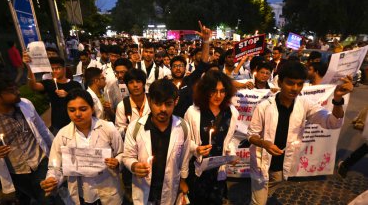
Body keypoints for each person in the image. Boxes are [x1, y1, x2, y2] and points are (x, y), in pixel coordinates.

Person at [247, 61, 353, 205]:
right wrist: (264, 143)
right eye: (290, 83)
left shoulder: (304, 104)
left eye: (299, 84)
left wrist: (338, 99)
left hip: (284, 161)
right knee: (258, 202)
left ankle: (263, 195)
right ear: (280, 82)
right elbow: (251, 135)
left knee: (276, 181)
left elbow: (332, 122)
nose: (295, 88)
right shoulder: (264, 107)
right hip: (262, 160)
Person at [40, 89, 124, 204]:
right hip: (81, 194)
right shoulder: (62, 135)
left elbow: (121, 153)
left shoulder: (108, 129)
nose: (78, 114)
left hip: (108, 190)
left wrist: (117, 161)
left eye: (83, 109)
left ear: (92, 108)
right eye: (72, 110)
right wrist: (52, 179)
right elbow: (55, 167)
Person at [0, 77, 55, 204]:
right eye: (10, 91)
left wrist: (55, 151)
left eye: (16, 88)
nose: (17, 92)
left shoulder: (25, 104)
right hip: (16, 173)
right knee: (26, 198)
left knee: (47, 198)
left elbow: (42, 130)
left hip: (39, 162)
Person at [123, 79, 190, 205]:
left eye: (168, 104)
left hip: (169, 188)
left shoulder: (183, 127)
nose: (163, 109)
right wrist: (134, 165)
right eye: (158, 103)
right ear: (149, 101)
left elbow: (184, 158)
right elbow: (127, 156)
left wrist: (183, 180)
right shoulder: (135, 127)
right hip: (144, 188)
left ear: (176, 102)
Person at [184, 70, 238, 204]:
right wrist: (196, 148)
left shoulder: (231, 112)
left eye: (222, 91)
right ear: (205, 91)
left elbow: (229, 140)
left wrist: (231, 154)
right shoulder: (193, 112)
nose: (218, 96)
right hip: (198, 171)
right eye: (213, 91)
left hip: (218, 170)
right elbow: (185, 140)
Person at [24, 56, 82, 135]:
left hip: (75, 122)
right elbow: (33, 86)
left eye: (58, 68)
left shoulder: (75, 84)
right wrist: (29, 67)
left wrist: (68, 95)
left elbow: (82, 101)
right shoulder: (49, 83)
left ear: (64, 69)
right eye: (52, 69)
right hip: (57, 124)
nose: (54, 71)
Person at [115, 68, 150, 138]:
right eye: (131, 82)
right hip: (131, 142)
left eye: (138, 81)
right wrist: (126, 129)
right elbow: (118, 130)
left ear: (143, 84)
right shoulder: (122, 105)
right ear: (127, 85)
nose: (135, 85)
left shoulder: (152, 101)